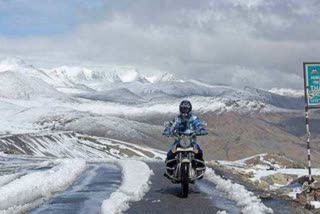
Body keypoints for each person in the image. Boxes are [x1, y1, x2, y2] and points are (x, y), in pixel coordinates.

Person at [162, 100, 207, 170]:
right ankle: (169, 167)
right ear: (180, 109)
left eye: (186, 109)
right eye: (183, 109)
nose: (185, 111)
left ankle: (199, 166)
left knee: (198, 151)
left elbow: (197, 124)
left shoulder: (193, 118)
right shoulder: (177, 118)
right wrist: (168, 130)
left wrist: (201, 129)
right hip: (179, 140)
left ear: (190, 109)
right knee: (171, 152)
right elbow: (171, 125)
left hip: (191, 141)